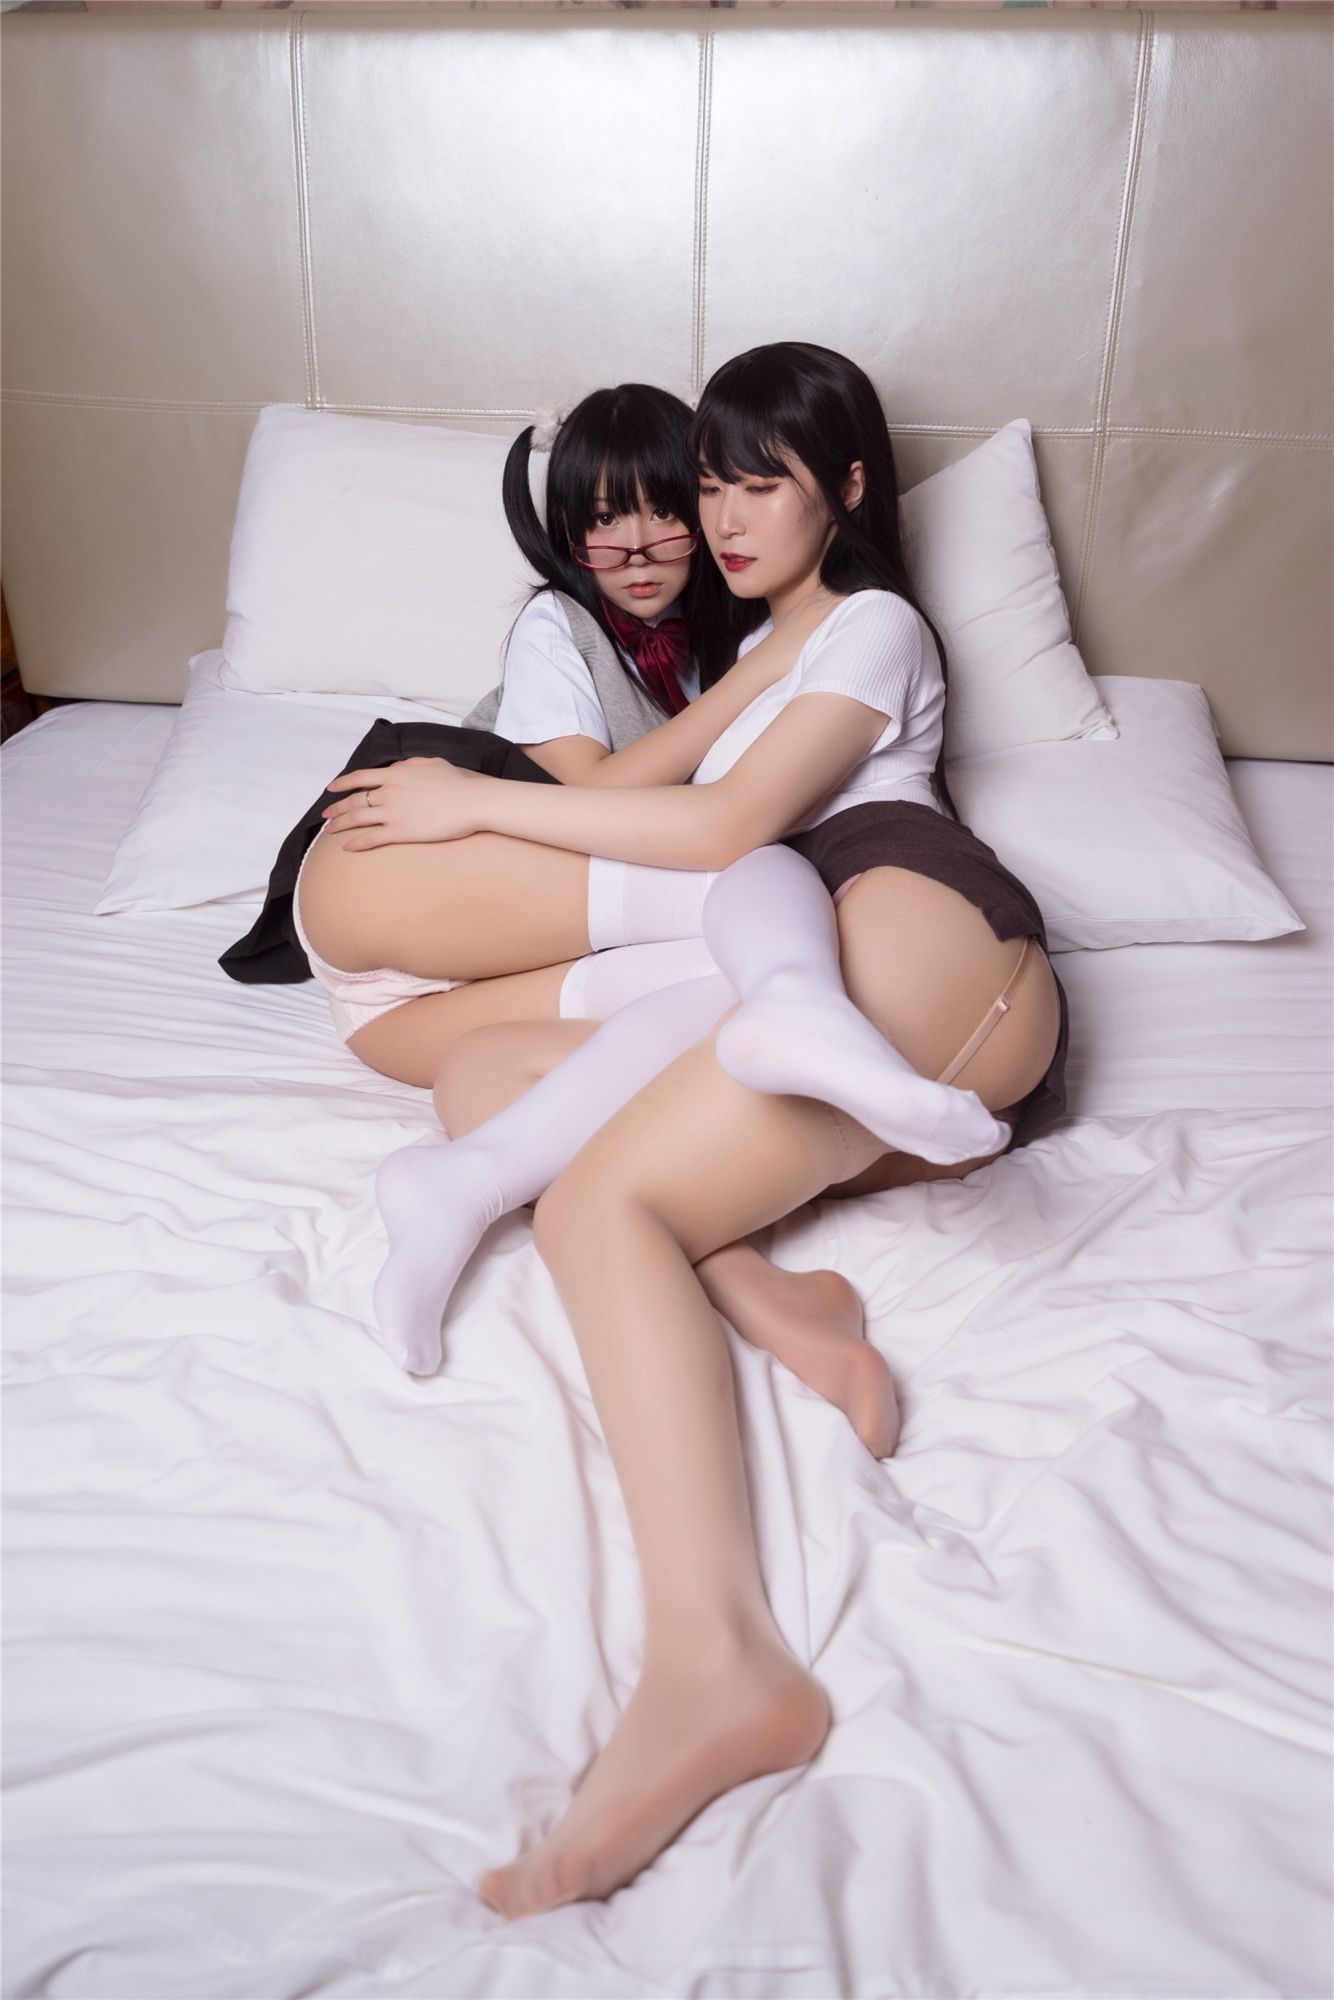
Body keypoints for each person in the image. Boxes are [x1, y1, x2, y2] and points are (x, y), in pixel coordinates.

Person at [315, 340, 1068, 1916]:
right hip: (826, 960)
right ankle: (779, 1296)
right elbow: (643, 798)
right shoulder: (757, 652)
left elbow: (727, 828)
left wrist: (476, 806)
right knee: (492, 1079)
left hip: (923, 924)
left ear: (844, 488)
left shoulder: (868, 622)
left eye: (757, 484)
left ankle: (717, 1666)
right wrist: (481, 792)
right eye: (709, 481)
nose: (718, 517)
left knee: (601, 1208)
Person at [223, 381, 916, 1452]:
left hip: (402, 1022)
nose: (635, 549)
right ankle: (800, 1011)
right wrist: (772, 667)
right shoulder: (566, 627)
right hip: (396, 884)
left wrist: (769, 657)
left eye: (669, 512)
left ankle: (760, 1291)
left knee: (538, 1072)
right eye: (600, 523)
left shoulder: (742, 633)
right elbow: (626, 801)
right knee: (771, 888)